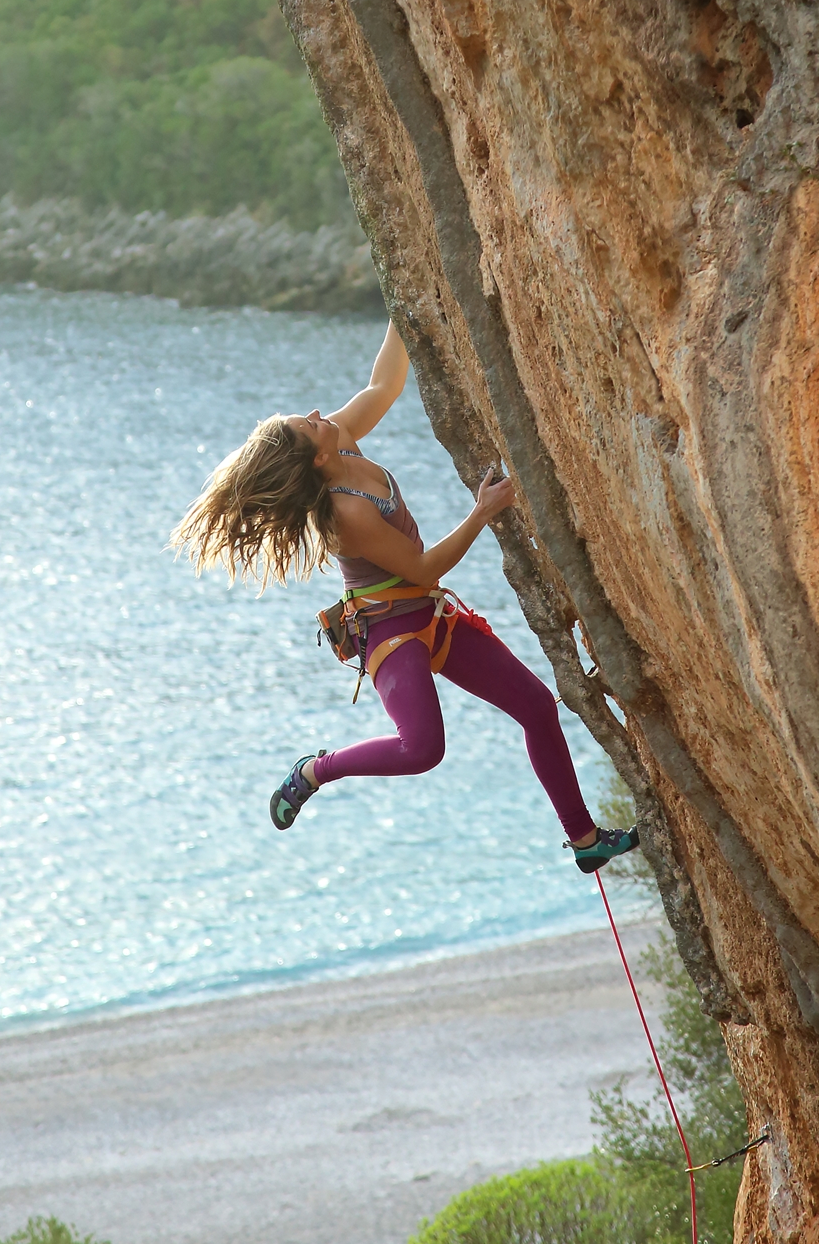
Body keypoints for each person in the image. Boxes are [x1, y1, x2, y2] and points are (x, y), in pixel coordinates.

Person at [171, 321, 638, 874]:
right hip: (390, 634)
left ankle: (585, 841)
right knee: (423, 749)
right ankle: (316, 772)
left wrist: (399, 318)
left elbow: (383, 386)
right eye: (310, 424)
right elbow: (421, 566)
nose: (322, 414)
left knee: (537, 708)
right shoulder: (344, 514)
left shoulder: (339, 441)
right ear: (315, 459)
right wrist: (481, 514)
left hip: (430, 615)